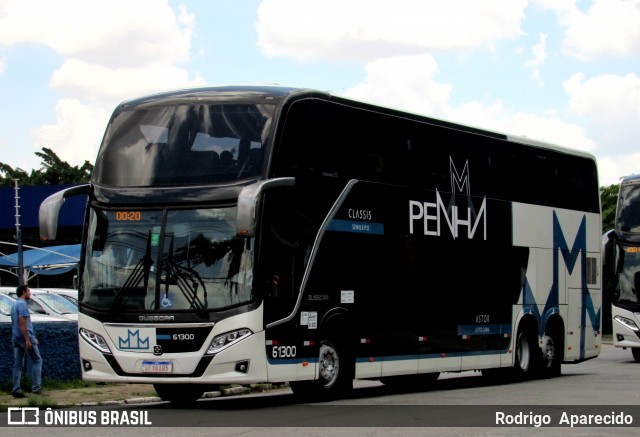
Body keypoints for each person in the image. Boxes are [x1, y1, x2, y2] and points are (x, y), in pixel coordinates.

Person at [10, 285, 43, 397]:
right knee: (37, 360)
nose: (30, 294)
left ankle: (16, 389)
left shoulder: (14, 304)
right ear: (23, 292)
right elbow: (22, 323)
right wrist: (28, 339)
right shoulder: (23, 304)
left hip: (16, 337)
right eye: (29, 291)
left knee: (18, 364)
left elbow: (15, 323)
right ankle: (36, 388)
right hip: (25, 336)